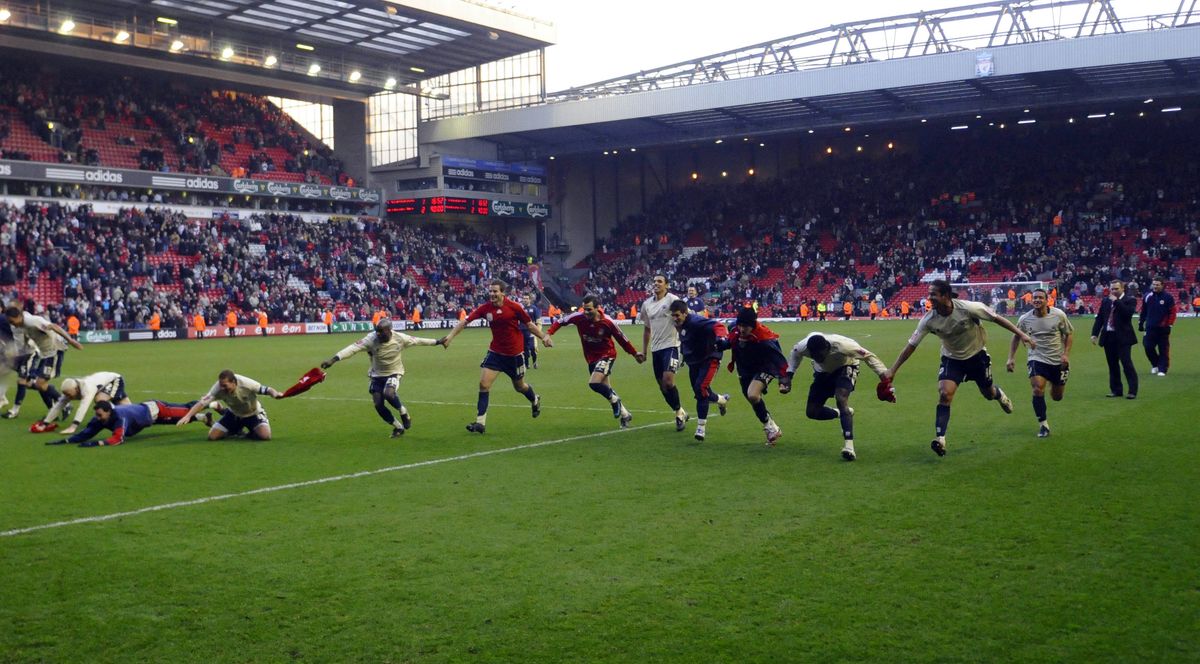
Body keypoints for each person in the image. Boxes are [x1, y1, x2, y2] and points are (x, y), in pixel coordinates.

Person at [884, 280, 1034, 457]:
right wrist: (893, 370)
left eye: (933, 294)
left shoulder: (969, 308)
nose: (929, 297)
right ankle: (940, 439)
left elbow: (997, 319)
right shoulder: (928, 320)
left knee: (988, 393)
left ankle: (999, 395)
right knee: (944, 394)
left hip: (977, 356)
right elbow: (911, 346)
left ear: (945, 296)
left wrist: (1022, 335)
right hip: (952, 359)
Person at [440, 279, 554, 434]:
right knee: (483, 384)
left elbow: (529, 325)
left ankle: (534, 399)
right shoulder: (485, 308)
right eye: (491, 291)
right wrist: (450, 337)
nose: (492, 294)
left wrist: (543, 337)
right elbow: (464, 322)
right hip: (495, 353)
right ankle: (480, 423)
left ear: (503, 293)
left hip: (515, 355)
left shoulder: (514, 307)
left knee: (519, 387)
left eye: (495, 291)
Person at [320, 318, 442, 438]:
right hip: (376, 375)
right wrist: (333, 359)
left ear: (389, 330)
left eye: (381, 332)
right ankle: (398, 427)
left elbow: (419, 341)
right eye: (377, 331)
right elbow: (352, 349)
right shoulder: (371, 339)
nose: (378, 334)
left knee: (389, 393)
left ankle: (403, 411)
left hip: (394, 372)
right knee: (378, 404)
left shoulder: (400, 338)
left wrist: (438, 342)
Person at [782, 331, 889, 461]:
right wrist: (789, 376)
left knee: (841, 398)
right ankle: (843, 413)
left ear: (827, 348)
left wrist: (883, 375)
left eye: (819, 355)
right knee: (812, 412)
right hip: (822, 372)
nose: (816, 357)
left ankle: (849, 447)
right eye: (813, 355)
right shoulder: (802, 347)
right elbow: (795, 354)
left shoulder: (843, 346)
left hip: (846, 366)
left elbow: (868, 356)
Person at [546, 294, 643, 428]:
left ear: (598, 308)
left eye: (589, 309)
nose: (586, 312)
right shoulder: (578, 317)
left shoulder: (608, 322)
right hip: (591, 358)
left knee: (594, 383)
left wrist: (634, 353)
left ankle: (615, 401)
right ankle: (625, 415)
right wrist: (548, 334)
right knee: (606, 388)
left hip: (607, 355)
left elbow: (622, 339)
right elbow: (560, 321)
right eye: (584, 309)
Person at [1006, 288, 1073, 438]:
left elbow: (1068, 334)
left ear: (1047, 299)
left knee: (1057, 396)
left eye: (1040, 298)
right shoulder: (1024, 319)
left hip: (1057, 360)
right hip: (1036, 358)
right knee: (1037, 389)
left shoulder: (1058, 315)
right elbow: (1016, 337)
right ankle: (1043, 425)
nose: (1037, 300)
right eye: (1034, 298)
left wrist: (1066, 354)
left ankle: (1052, 382)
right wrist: (1011, 358)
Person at [3, 307, 84, 421]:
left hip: (55, 350)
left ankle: (66, 405)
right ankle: (53, 412)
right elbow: (22, 347)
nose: (12, 324)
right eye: (9, 322)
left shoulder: (32, 321)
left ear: (19, 316)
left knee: (40, 384)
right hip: (44, 353)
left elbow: (54, 326)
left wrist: (71, 341)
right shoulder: (16, 327)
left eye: (12, 321)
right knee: (37, 384)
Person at [667, 299, 731, 441]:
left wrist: (721, 337)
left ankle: (701, 428)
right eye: (673, 315)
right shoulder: (680, 325)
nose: (675, 318)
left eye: (677, 315)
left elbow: (718, 325)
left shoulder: (696, 321)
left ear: (685, 313)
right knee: (701, 391)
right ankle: (721, 400)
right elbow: (686, 341)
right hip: (694, 362)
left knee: (701, 388)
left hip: (710, 358)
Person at [724, 308, 788, 446]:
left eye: (745, 326)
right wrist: (721, 345)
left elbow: (779, 358)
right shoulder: (733, 328)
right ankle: (772, 428)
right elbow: (730, 342)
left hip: (765, 367)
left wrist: (783, 378)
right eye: (740, 325)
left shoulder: (764, 337)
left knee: (752, 394)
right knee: (752, 398)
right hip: (745, 369)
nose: (741, 329)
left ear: (752, 325)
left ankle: (770, 428)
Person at [46, 399, 211, 447]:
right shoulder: (100, 418)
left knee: (185, 410)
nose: (97, 418)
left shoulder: (119, 416)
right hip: (148, 418)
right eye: (96, 415)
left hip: (155, 409)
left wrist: (96, 444)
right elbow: (86, 433)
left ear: (109, 412)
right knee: (179, 421)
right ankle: (204, 418)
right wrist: (66, 441)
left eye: (100, 415)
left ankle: (212, 403)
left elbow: (118, 439)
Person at [638, 274, 688, 431]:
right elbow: (647, 329)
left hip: (671, 346)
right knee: (662, 387)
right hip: (656, 349)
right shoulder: (646, 304)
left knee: (668, 380)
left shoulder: (672, 300)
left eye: (660, 281)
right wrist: (644, 351)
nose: (656, 284)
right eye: (654, 281)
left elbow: (685, 317)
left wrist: (687, 343)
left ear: (667, 285)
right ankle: (680, 411)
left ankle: (679, 413)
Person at [176, 369, 283, 440]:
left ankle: (247, 432)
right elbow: (201, 403)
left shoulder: (247, 384)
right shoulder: (217, 388)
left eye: (225, 385)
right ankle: (236, 430)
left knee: (265, 436)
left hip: (253, 413)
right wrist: (188, 416)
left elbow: (267, 389)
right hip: (234, 415)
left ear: (233, 382)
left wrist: (275, 394)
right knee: (212, 437)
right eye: (220, 385)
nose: (222, 388)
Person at [35, 371, 130, 435]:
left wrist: (73, 426)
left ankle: (113, 420)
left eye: (68, 394)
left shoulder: (87, 389)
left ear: (76, 389)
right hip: (103, 384)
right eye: (65, 394)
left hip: (114, 380)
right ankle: (136, 413)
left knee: (100, 401)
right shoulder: (71, 389)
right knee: (128, 408)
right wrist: (45, 424)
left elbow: (83, 407)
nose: (68, 397)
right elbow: (58, 406)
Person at [1090, 280, 1139, 399]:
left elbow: (1128, 314)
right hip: (1108, 336)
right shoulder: (1106, 301)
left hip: (1123, 337)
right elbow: (1100, 318)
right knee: (1112, 365)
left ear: (1123, 288)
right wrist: (1094, 334)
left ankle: (1132, 391)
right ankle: (1116, 390)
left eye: (1116, 289)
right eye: (1112, 289)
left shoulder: (1130, 300)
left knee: (1126, 364)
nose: (1113, 291)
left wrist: (1117, 302)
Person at [1138, 277, 1176, 377]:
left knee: (1163, 349)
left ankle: (1163, 369)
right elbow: (1143, 311)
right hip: (1150, 327)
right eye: (1154, 284)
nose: (1155, 286)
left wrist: (1169, 324)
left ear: (1162, 285)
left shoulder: (1168, 297)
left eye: (1157, 284)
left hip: (1163, 327)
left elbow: (1172, 312)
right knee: (1147, 346)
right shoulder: (1147, 296)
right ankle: (1155, 364)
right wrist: (1141, 323)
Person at [521, 293, 542, 370]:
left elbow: (538, 320)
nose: (525, 300)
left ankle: (534, 362)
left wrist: (537, 331)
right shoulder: (521, 309)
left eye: (526, 298)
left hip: (531, 331)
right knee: (524, 349)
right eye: (524, 298)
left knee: (533, 348)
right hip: (522, 331)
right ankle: (526, 364)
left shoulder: (534, 308)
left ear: (529, 299)